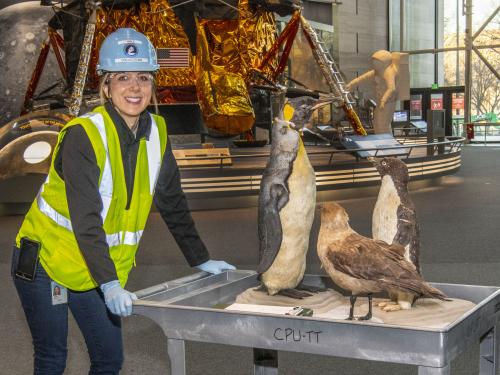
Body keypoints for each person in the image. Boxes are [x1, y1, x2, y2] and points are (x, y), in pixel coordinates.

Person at [11, 28, 235, 374]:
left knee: (109, 359)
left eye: (144, 78)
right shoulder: (83, 135)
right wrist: (110, 283)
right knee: (53, 358)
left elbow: (172, 201)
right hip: (45, 261)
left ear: (153, 85)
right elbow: (86, 218)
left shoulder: (157, 133)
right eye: (123, 77)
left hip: (95, 267)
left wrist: (200, 259)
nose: (134, 87)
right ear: (106, 85)